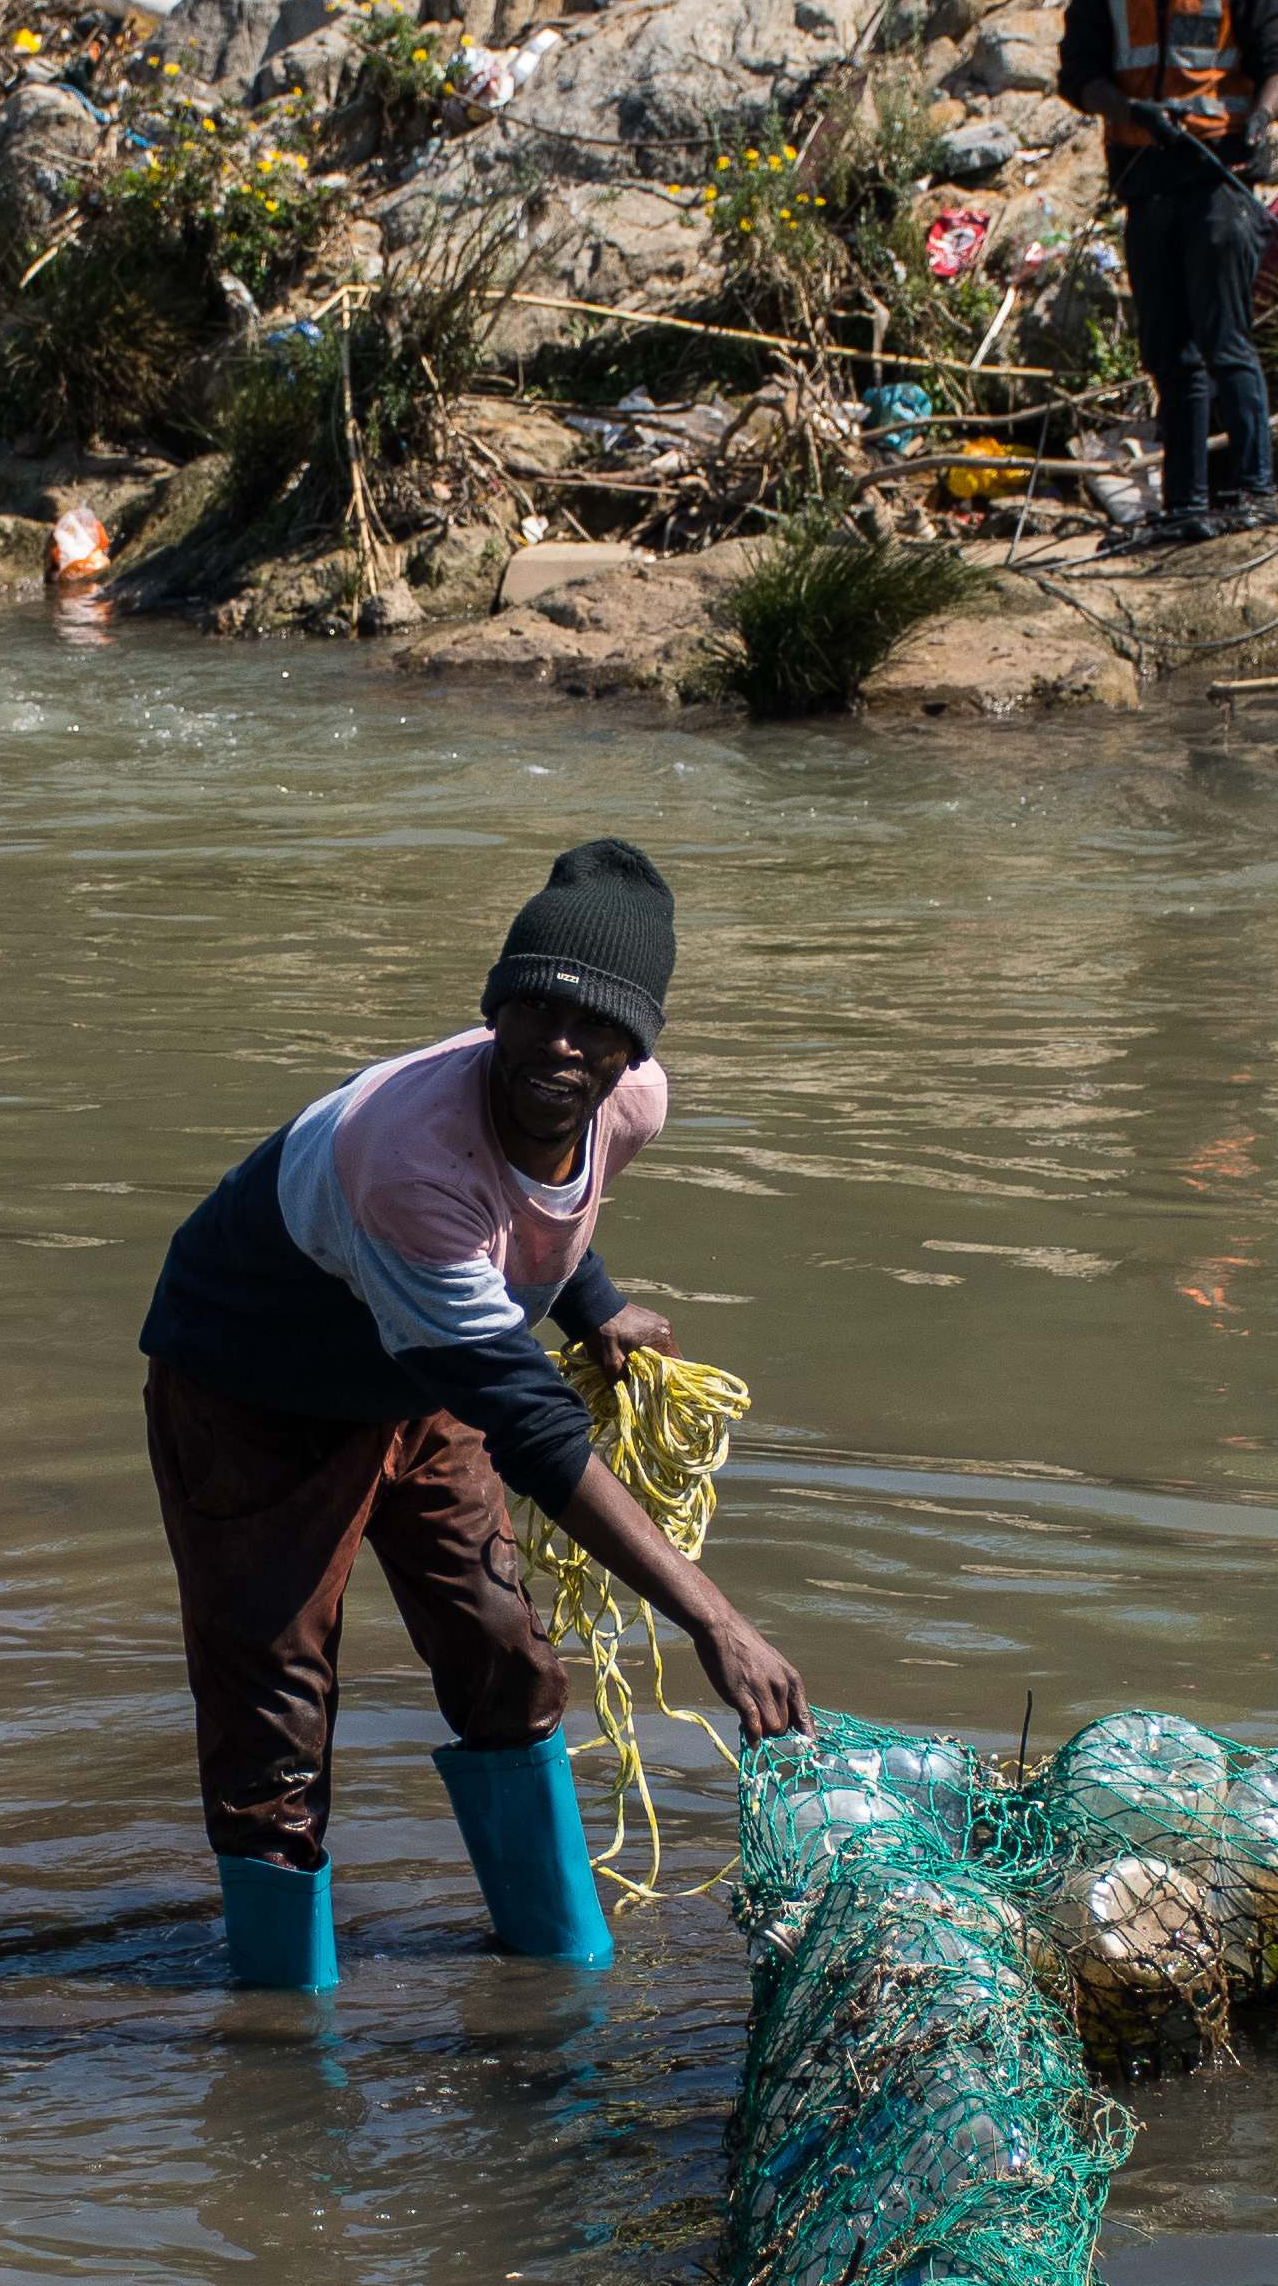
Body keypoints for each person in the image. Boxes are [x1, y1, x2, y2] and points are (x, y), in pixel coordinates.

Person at [134, 839, 809, 1993]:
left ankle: (564, 1970)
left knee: (505, 1655)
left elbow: (535, 1212)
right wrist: (715, 1620)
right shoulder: (406, 1156)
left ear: (634, 1051)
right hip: (257, 1386)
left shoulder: (631, 1105)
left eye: (599, 1027)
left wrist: (592, 1301)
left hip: (421, 1369)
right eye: (538, 1009)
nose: (566, 1044)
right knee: (277, 1723)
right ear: (493, 1011)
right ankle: (285, 2043)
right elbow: (536, 1430)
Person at [1055, 0, 1278, 549]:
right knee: (1171, 354)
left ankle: (1256, 494)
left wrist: (1259, 121)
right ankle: (1186, 504)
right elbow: (1078, 74)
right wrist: (1132, 106)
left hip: (1218, 178)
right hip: (1145, 177)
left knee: (1227, 342)